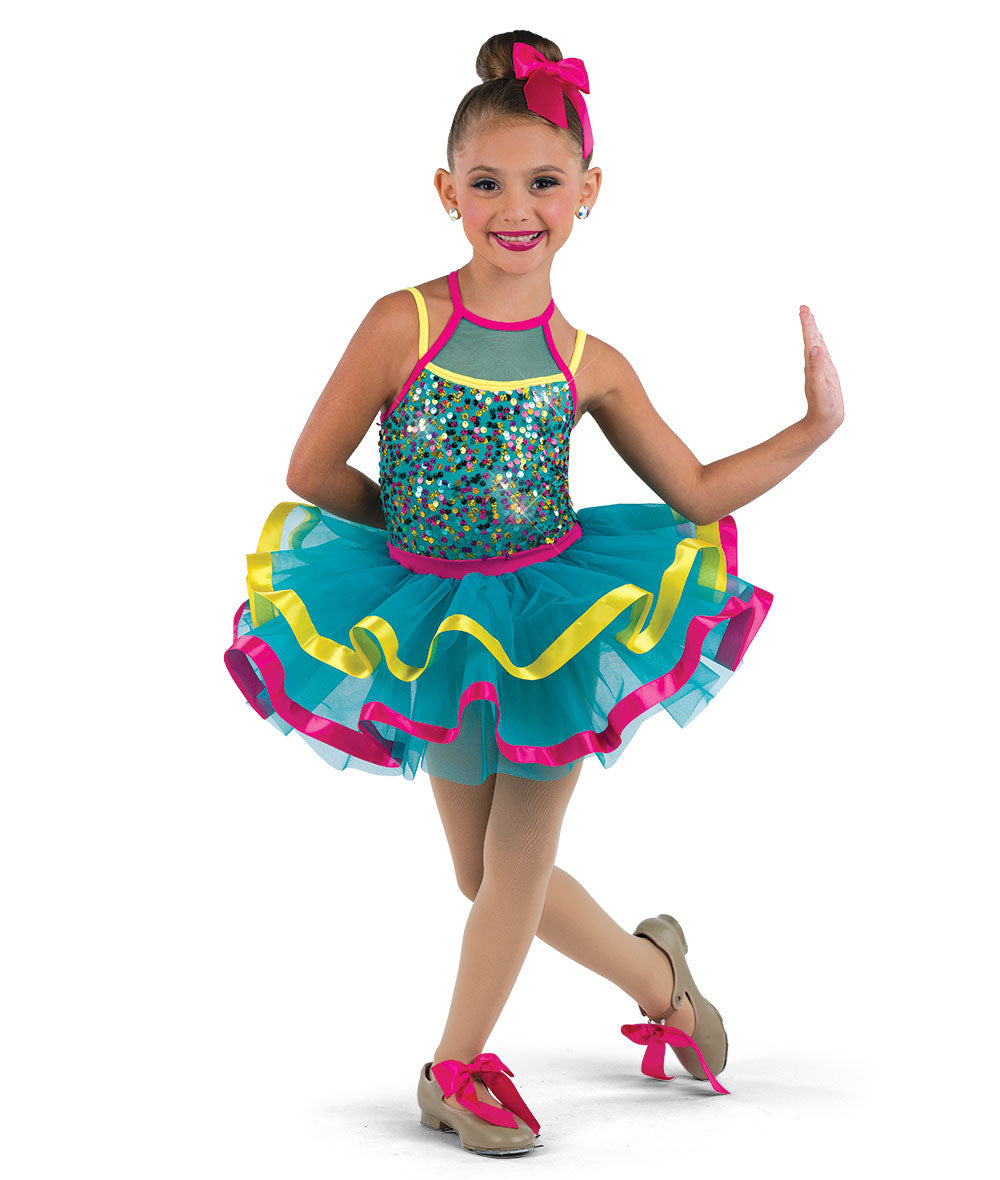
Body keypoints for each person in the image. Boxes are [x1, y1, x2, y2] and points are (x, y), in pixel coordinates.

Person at [223, 28, 844, 1158]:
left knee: (510, 869)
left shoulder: (588, 360)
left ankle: (453, 1068)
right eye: (488, 184)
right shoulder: (403, 323)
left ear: (589, 191)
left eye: (545, 182)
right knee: (481, 875)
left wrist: (814, 426)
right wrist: (408, 538)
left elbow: (697, 490)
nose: (516, 208)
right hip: (434, 621)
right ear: (446, 191)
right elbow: (312, 470)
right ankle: (660, 978)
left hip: (554, 624)